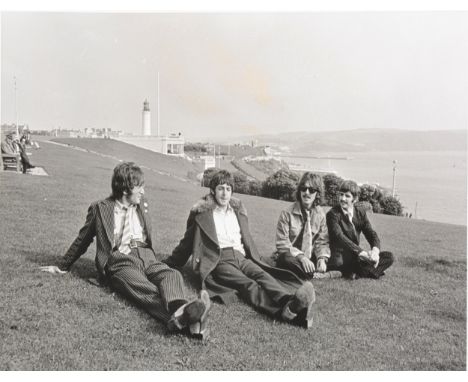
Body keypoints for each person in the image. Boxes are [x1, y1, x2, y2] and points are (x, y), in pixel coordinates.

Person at [40, 162, 211, 339]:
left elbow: (145, 235)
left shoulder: (142, 204)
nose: (143, 192)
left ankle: (181, 309)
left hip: (146, 255)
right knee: (142, 287)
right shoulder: (101, 208)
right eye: (140, 187)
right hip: (120, 259)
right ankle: (188, 321)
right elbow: (82, 239)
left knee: (171, 275)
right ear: (125, 189)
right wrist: (62, 266)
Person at [164, 170, 316, 328]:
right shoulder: (202, 214)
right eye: (221, 188)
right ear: (213, 191)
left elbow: (247, 240)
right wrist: (170, 262)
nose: (224, 193)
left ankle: (288, 301)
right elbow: (187, 243)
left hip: (241, 256)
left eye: (228, 189)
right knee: (247, 284)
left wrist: (255, 257)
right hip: (219, 259)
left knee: (261, 274)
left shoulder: (237, 212)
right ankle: (279, 311)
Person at [326, 180, 395, 279]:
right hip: (340, 255)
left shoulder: (360, 212)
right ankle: (370, 272)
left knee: (389, 257)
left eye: (347, 196)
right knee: (339, 263)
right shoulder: (333, 214)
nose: (342, 198)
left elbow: (371, 233)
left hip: (356, 257)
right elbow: (339, 237)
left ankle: (358, 273)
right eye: (341, 195)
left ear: (355, 199)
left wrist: (375, 252)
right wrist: (362, 253)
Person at [274, 172, 337, 280]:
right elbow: (282, 243)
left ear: (317, 193)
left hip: (310, 256)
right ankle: (318, 274)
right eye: (303, 188)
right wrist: (301, 257)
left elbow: (322, 241)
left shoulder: (320, 214)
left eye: (311, 190)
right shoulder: (286, 213)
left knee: (337, 260)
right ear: (299, 190)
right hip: (292, 256)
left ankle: (314, 271)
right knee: (285, 259)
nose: (306, 193)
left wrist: (321, 259)